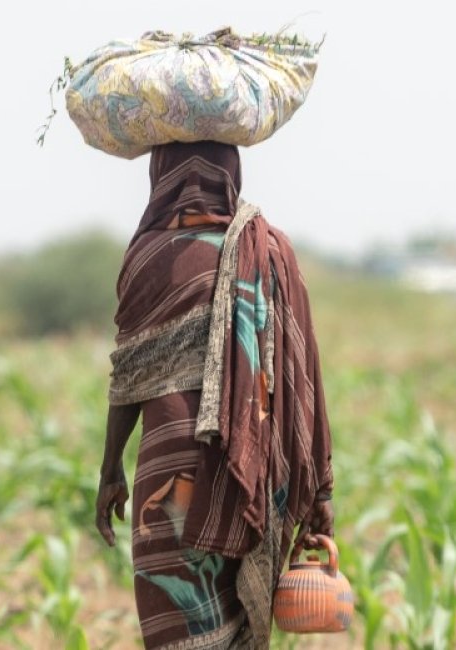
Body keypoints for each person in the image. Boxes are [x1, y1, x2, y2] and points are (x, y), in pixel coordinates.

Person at [94, 141, 335, 649]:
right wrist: (322, 490)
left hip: (167, 484)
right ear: (232, 173)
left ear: (161, 176)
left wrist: (111, 469)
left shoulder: (147, 255)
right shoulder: (269, 251)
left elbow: (127, 380)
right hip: (246, 475)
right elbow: (303, 373)